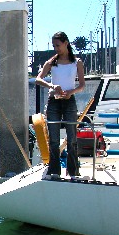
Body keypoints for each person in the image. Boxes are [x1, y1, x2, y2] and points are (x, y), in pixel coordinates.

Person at [35, 31, 85, 179]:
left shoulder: (77, 62)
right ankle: (55, 171)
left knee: (72, 138)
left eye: (57, 45)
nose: (56, 48)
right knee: (54, 139)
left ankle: (73, 171)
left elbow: (82, 85)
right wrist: (52, 86)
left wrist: (71, 91)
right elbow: (38, 79)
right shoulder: (51, 62)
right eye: (54, 46)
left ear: (65, 43)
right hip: (54, 101)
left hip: (69, 101)